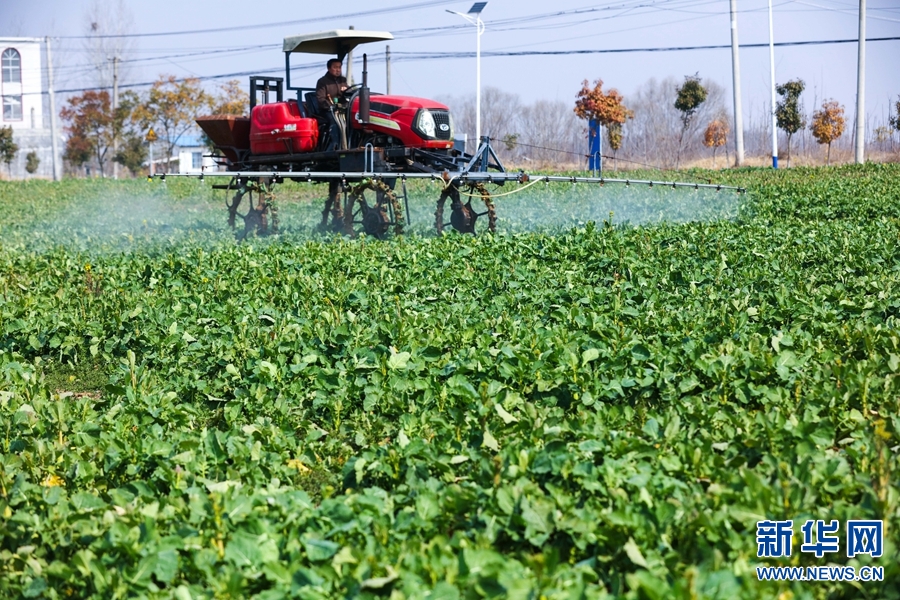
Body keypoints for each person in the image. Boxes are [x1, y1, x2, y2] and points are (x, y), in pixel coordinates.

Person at [316, 59, 348, 151]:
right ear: (329, 68)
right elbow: (320, 99)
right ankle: (335, 144)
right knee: (335, 120)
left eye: (339, 67)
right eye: (335, 67)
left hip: (342, 109)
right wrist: (331, 107)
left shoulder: (343, 80)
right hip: (327, 111)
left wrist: (346, 91)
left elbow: (349, 93)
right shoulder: (322, 82)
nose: (338, 70)